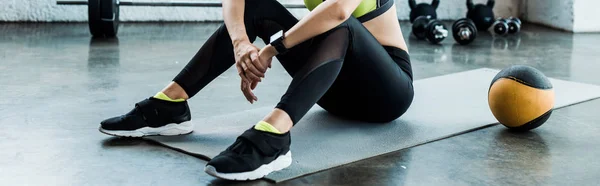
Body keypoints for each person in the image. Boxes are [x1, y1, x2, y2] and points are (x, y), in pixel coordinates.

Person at [99, 0, 414, 181]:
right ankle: (170, 105)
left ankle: (274, 137)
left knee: (343, 25)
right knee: (258, 5)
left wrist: (272, 49)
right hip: (331, 90)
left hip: (386, 94)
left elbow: (338, 12)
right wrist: (241, 45)